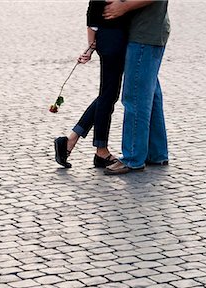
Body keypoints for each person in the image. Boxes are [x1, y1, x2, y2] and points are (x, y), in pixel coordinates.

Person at [55, 0, 129, 169]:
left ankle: (70, 141)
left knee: (108, 95)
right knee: (107, 96)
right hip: (112, 40)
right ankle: (101, 151)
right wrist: (89, 47)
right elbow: (94, 12)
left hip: (114, 38)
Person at [102, 0, 170, 175]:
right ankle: (156, 152)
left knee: (135, 97)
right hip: (150, 32)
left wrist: (123, 7)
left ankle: (133, 158)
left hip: (144, 35)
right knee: (150, 95)